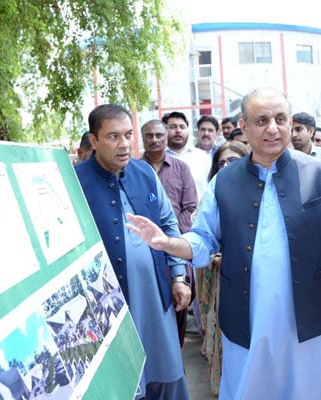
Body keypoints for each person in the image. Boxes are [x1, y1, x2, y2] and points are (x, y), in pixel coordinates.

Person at [127, 87, 321, 399]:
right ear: (244, 127)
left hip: (307, 317)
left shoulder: (318, 173)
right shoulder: (225, 182)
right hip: (247, 316)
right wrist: (167, 243)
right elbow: (203, 240)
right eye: (261, 120)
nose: (272, 128)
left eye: (280, 119)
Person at [75, 104, 191, 399]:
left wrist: (178, 276)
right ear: (94, 140)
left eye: (128, 135)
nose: (124, 144)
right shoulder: (76, 181)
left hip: (154, 294)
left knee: (166, 372)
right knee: (125, 381)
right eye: (113, 136)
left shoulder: (145, 172)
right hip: (107, 303)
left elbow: (167, 223)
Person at [197, 140, 250, 397]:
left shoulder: (261, 192)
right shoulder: (212, 195)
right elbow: (201, 240)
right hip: (220, 284)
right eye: (222, 162)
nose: (227, 166)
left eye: (234, 161)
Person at [140, 119, 198, 347]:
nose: (154, 140)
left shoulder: (180, 168)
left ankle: (177, 356)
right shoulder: (133, 169)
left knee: (179, 303)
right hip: (144, 249)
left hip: (176, 248)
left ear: (166, 138)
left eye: (159, 136)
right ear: (142, 138)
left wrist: (169, 240)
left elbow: (190, 207)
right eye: (149, 135)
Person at [163, 111, 211, 199]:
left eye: (182, 127)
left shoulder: (202, 157)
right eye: (173, 127)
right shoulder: (159, 158)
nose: (178, 131)